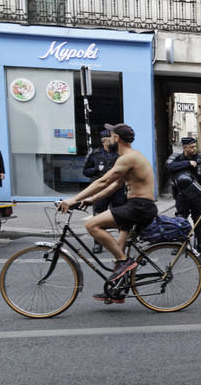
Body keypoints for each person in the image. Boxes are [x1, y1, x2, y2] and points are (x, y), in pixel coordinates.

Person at [58, 123, 157, 303]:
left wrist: (73, 199)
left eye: (110, 136)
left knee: (92, 224)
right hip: (139, 205)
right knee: (118, 248)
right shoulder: (130, 157)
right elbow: (115, 185)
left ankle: (123, 262)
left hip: (139, 207)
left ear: (117, 138)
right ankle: (117, 291)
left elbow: (103, 181)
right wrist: (90, 200)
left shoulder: (127, 158)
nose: (108, 139)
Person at [166, 137, 201, 254]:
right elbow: (169, 167)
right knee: (181, 218)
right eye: (191, 147)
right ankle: (180, 244)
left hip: (198, 195)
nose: (194, 149)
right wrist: (188, 163)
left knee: (199, 219)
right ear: (184, 147)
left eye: (195, 146)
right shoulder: (176, 158)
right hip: (182, 195)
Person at [83, 129, 127, 254]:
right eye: (109, 140)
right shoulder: (95, 154)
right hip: (100, 190)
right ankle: (98, 243)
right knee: (98, 215)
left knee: (120, 214)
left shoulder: (120, 153)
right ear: (104, 141)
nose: (112, 142)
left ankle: (122, 241)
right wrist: (96, 170)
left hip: (117, 189)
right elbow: (85, 171)